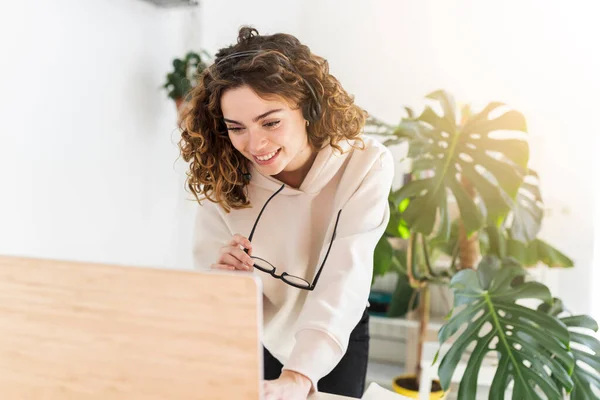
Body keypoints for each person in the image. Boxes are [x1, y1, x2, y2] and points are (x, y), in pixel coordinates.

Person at [178, 26, 394, 400]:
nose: (255, 144)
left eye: (271, 122)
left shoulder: (365, 164)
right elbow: (212, 286)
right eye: (236, 128)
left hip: (334, 327)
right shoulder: (224, 175)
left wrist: (297, 376)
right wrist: (228, 280)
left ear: (309, 108)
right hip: (258, 329)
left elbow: (345, 278)